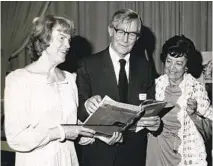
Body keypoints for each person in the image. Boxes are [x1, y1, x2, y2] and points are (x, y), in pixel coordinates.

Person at [4, 15, 96, 166]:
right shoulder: (19, 79)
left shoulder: (69, 79)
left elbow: (70, 124)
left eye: (69, 40)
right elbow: (16, 138)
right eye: (61, 38)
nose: (67, 45)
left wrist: (86, 134)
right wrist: (61, 132)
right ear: (44, 39)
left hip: (69, 160)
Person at [76, 9, 160, 166]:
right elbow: (78, 109)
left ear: (137, 38)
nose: (126, 39)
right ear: (110, 30)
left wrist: (154, 123)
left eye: (132, 34)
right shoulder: (88, 64)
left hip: (134, 155)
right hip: (98, 154)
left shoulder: (145, 67)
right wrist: (87, 105)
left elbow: (150, 107)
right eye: (121, 32)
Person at [146, 35, 212, 166]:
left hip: (184, 154)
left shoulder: (196, 89)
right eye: (169, 61)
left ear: (187, 66)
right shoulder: (156, 85)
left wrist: (193, 115)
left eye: (179, 63)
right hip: (157, 152)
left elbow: (209, 132)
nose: (172, 67)